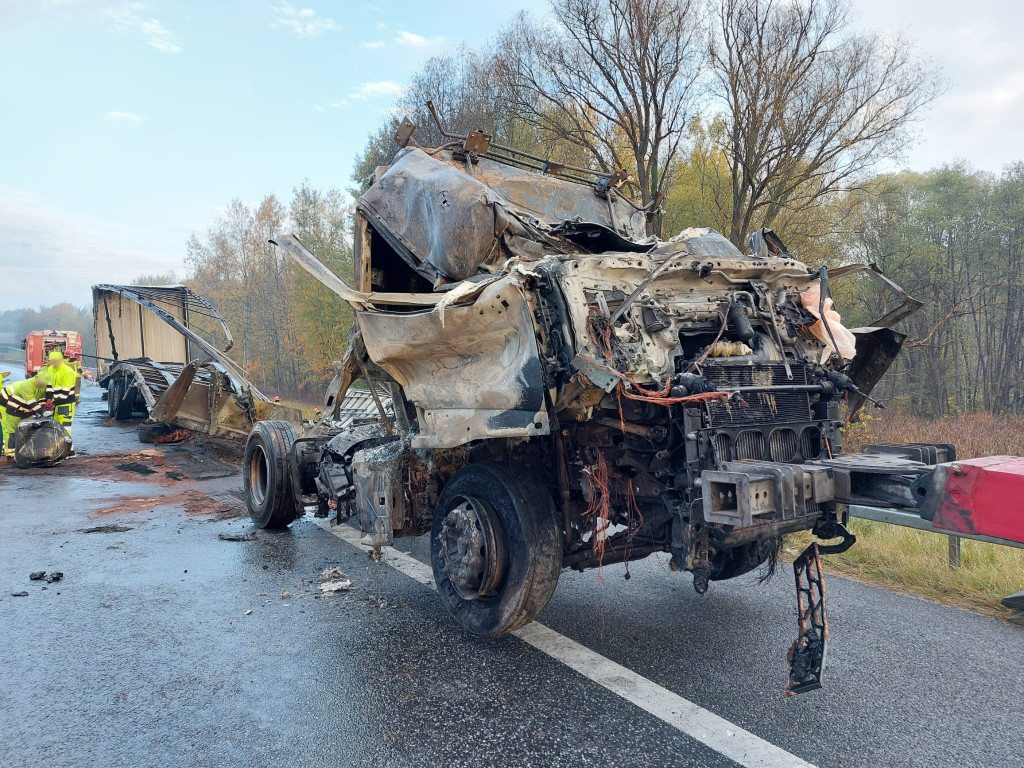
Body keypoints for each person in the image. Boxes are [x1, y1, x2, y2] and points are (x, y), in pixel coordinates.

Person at [0, 370, 50, 456]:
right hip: (5, 402)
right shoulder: (27, 386)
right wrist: (42, 412)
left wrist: (40, 411)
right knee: (9, 428)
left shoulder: (42, 386)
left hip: (23, 406)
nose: (43, 384)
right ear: (37, 378)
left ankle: (23, 450)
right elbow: (32, 403)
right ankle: (7, 452)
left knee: (28, 428)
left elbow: (40, 400)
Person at [43, 350, 78, 439]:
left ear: (61, 360)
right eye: (53, 361)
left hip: (67, 402)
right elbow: (49, 386)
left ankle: (68, 448)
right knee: (56, 425)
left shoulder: (67, 372)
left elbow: (65, 393)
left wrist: (53, 404)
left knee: (65, 426)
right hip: (57, 402)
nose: (55, 363)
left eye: (57, 361)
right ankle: (58, 447)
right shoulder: (50, 369)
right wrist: (48, 400)